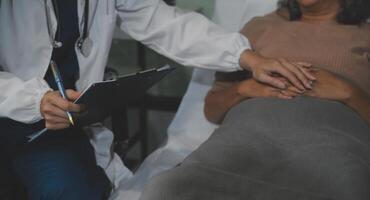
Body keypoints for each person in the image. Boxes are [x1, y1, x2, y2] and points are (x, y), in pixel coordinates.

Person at [0, 0, 315, 199]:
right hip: (20, 121)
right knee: (67, 189)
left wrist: (245, 57)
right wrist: (34, 101)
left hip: (68, 120)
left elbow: (163, 23)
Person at [139, 0, 370, 199]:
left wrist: (349, 93)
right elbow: (212, 108)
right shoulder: (260, 28)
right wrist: (244, 89)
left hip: (331, 151)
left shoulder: (365, 35)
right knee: (167, 189)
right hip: (245, 143)